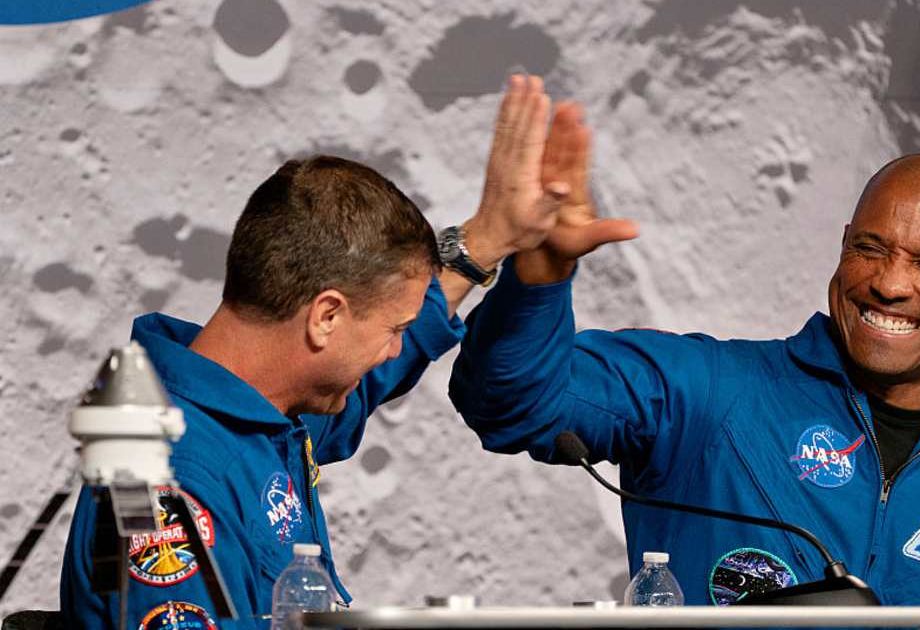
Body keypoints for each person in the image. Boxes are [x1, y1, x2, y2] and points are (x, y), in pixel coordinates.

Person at [449, 139, 920, 606]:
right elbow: (512, 403)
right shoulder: (707, 390)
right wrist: (540, 275)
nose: (890, 285)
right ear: (843, 246)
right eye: (870, 249)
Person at [61, 75, 570, 629]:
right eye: (394, 328)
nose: (394, 350)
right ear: (326, 316)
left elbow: (368, 373)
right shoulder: (171, 482)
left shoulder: (252, 415)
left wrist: (488, 237)